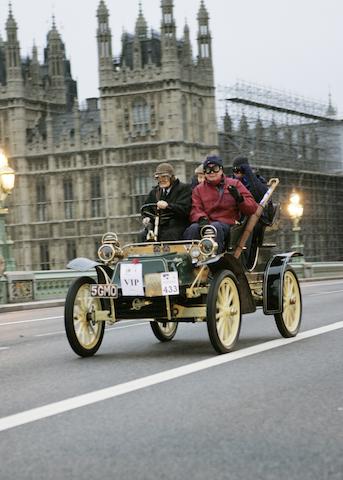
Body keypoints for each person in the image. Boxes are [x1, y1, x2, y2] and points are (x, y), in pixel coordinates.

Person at [183, 155, 258, 253]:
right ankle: (190, 256)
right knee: (192, 229)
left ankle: (215, 258)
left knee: (215, 228)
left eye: (215, 169)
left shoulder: (234, 184)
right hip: (205, 222)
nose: (212, 173)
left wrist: (239, 198)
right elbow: (196, 208)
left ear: (221, 170)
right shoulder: (199, 189)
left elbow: (252, 207)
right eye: (208, 170)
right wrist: (202, 218)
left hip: (227, 223)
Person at [141, 162, 192, 241]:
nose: (161, 180)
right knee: (143, 235)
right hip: (158, 225)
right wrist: (146, 218)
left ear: (172, 177)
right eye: (158, 178)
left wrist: (168, 206)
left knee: (169, 234)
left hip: (177, 224)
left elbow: (185, 209)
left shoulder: (184, 189)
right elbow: (147, 208)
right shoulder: (155, 192)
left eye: (164, 177)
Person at [232, 155, 274, 224]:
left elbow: (262, 197)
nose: (238, 172)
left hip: (255, 218)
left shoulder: (257, 180)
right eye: (235, 170)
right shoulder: (231, 183)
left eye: (240, 169)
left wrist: (249, 174)